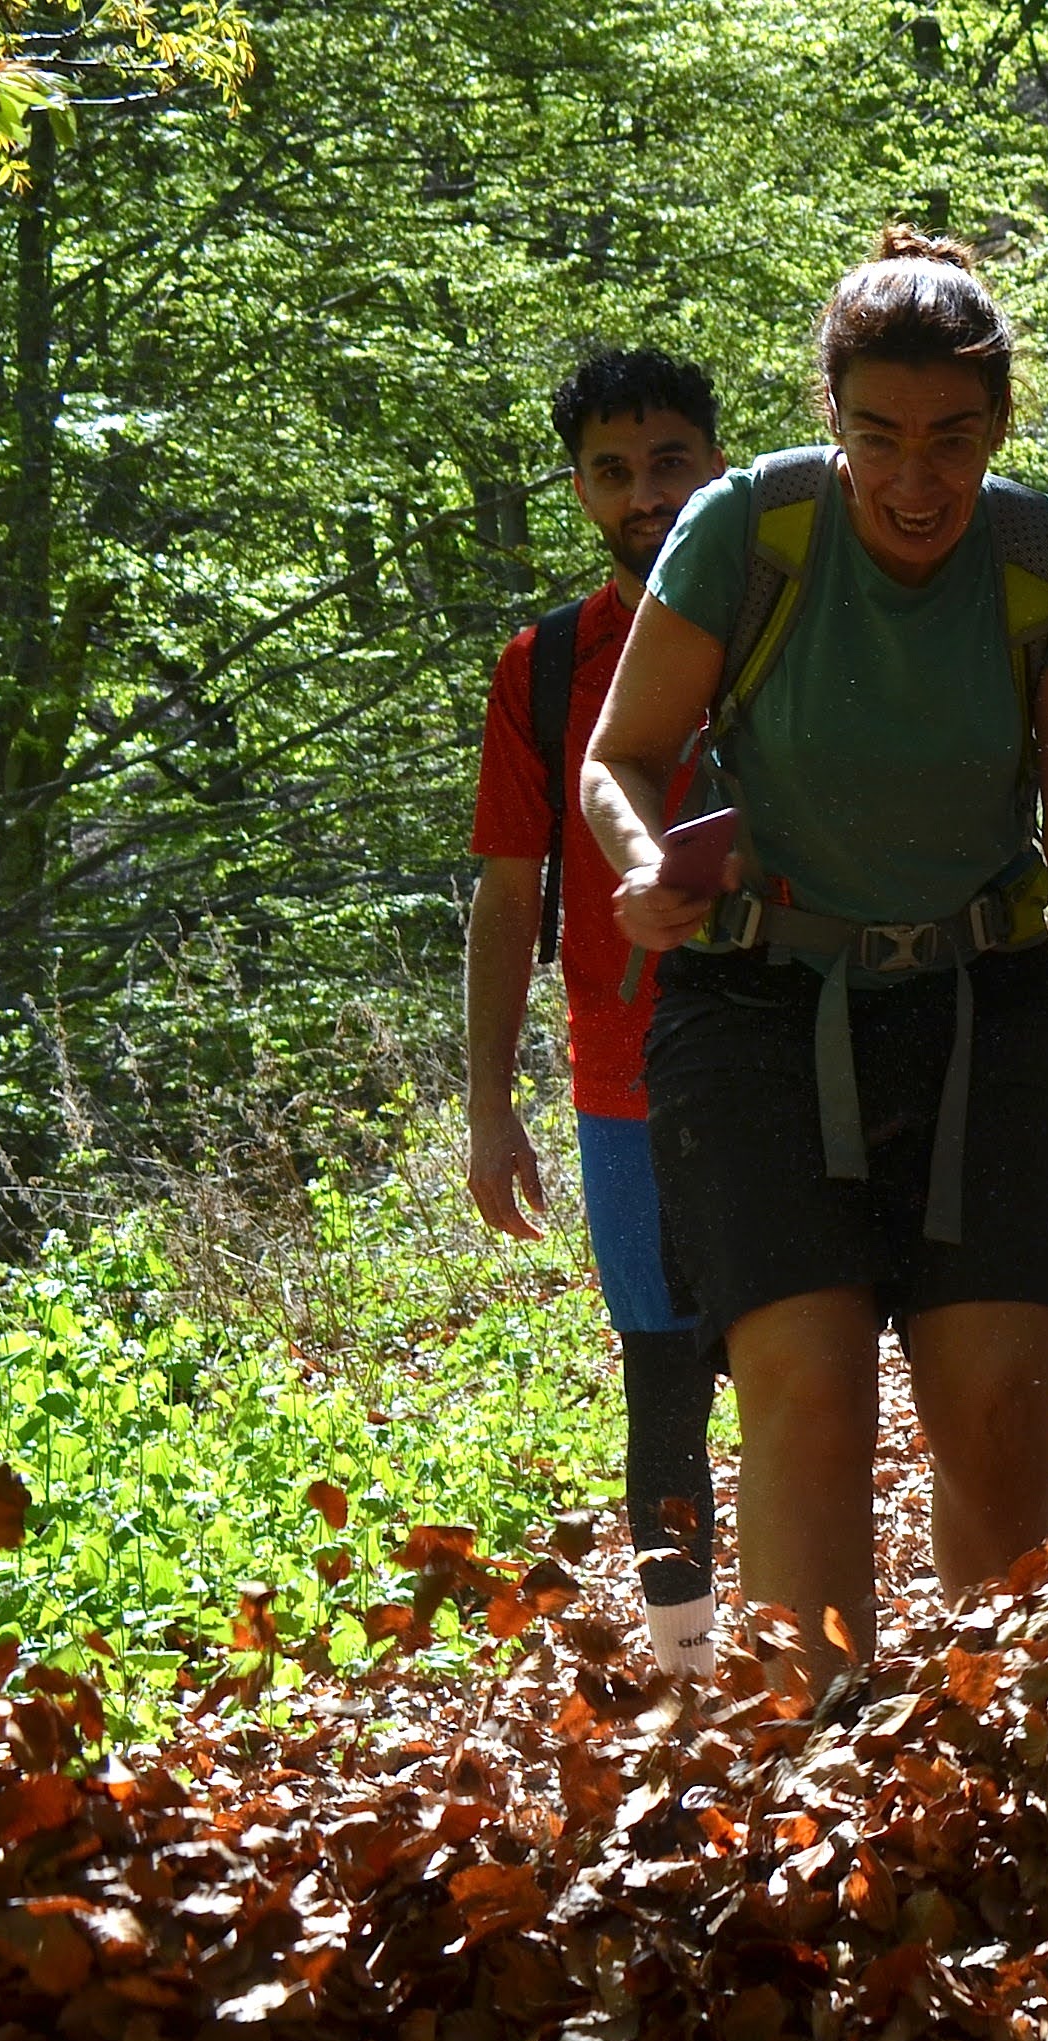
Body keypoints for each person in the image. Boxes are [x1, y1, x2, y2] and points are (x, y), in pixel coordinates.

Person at [582, 228, 1048, 1655]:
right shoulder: (750, 530)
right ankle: (809, 1776)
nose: (916, 479)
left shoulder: (1038, 557)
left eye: (953, 439)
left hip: (983, 1013)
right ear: (829, 415)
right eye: (880, 435)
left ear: (1000, 426)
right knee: (809, 1400)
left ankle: (996, 1757)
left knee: (998, 1421)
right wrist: (645, 859)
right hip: (760, 1008)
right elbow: (621, 757)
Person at [461, 346, 731, 1678]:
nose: (646, 494)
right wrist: (489, 1107)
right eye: (613, 472)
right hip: (623, 1083)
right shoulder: (551, 666)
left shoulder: (785, 627)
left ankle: (822, 1669)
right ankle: (691, 1681)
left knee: (810, 1360)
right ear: (577, 489)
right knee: (663, 1375)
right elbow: (508, 898)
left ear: (719, 464)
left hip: (804, 1050)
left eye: (670, 461)